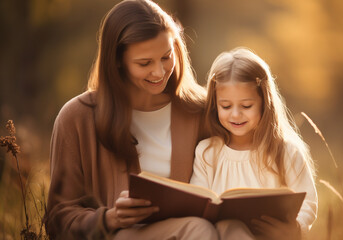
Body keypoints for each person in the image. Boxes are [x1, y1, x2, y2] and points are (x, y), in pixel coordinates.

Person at [46, 0, 219, 239]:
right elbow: (58, 218)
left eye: (166, 57)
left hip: (195, 233)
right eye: (144, 63)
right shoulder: (76, 117)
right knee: (198, 230)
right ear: (117, 61)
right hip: (123, 235)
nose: (159, 72)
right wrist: (110, 218)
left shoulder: (201, 111)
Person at [190, 47, 318, 239]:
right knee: (229, 227)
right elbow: (197, 203)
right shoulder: (207, 152)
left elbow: (308, 201)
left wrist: (294, 229)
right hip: (219, 236)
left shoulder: (285, 151)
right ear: (215, 104)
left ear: (264, 102)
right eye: (226, 106)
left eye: (246, 106)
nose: (235, 114)